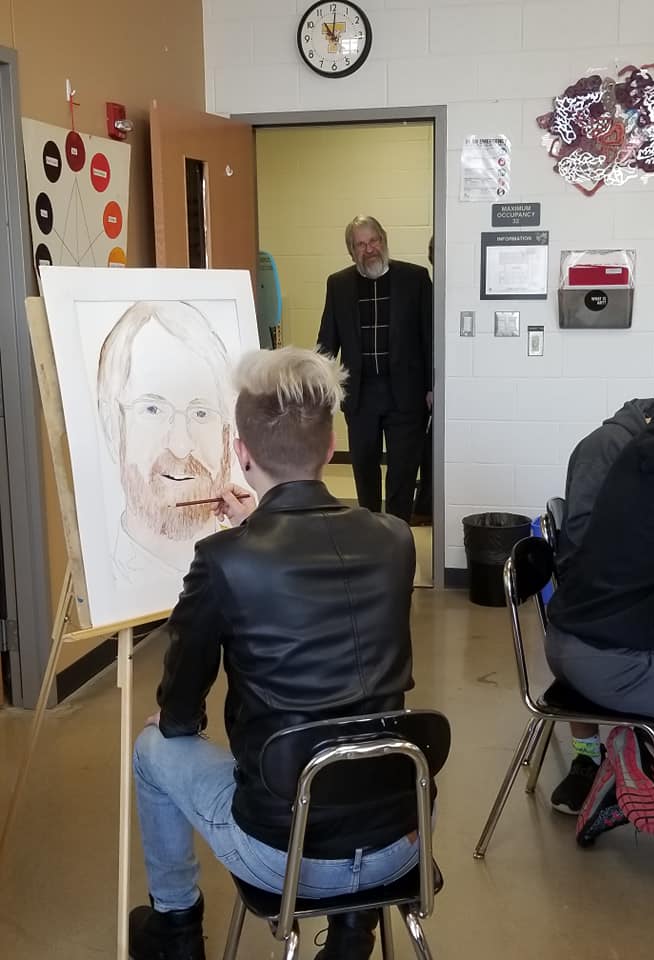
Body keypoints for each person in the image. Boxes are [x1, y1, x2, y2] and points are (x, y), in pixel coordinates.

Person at [128, 347, 427, 960]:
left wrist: (178, 720)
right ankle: (352, 932)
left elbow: (182, 708)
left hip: (288, 853)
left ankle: (176, 932)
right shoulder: (396, 539)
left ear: (240, 452)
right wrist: (264, 520)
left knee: (152, 748)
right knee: (360, 718)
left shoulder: (224, 560)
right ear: (332, 444)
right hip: (401, 838)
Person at [546, 397, 654, 844]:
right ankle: (649, 791)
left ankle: (635, 754)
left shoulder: (642, 451)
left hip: (572, 636)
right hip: (611, 655)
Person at [550, 399, 654, 814]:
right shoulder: (607, 447)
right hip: (590, 602)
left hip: (618, 594)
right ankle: (591, 756)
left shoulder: (649, 448)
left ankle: (647, 743)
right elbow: (582, 537)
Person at [96, 300, 234, 581]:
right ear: (113, 427)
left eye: (201, 412)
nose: (181, 446)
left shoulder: (250, 567)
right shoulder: (105, 580)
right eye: (153, 409)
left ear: (227, 433)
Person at [318, 215, 432, 523]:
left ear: (384, 240)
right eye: (361, 244)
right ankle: (370, 537)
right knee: (364, 469)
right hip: (361, 396)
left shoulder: (416, 279)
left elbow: (431, 338)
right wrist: (319, 391)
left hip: (407, 395)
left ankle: (398, 536)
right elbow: (326, 343)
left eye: (374, 241)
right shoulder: (338, 284)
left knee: (403, 473)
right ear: (351, 251)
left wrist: (433, 387)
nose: (370, 249)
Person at [411, 234, 434, 526]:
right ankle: (425, 504)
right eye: (430, 249)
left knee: (431, 449)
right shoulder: (426, 285)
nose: (432, 254)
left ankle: (427, 504)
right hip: (428, 382)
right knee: (426, 449)